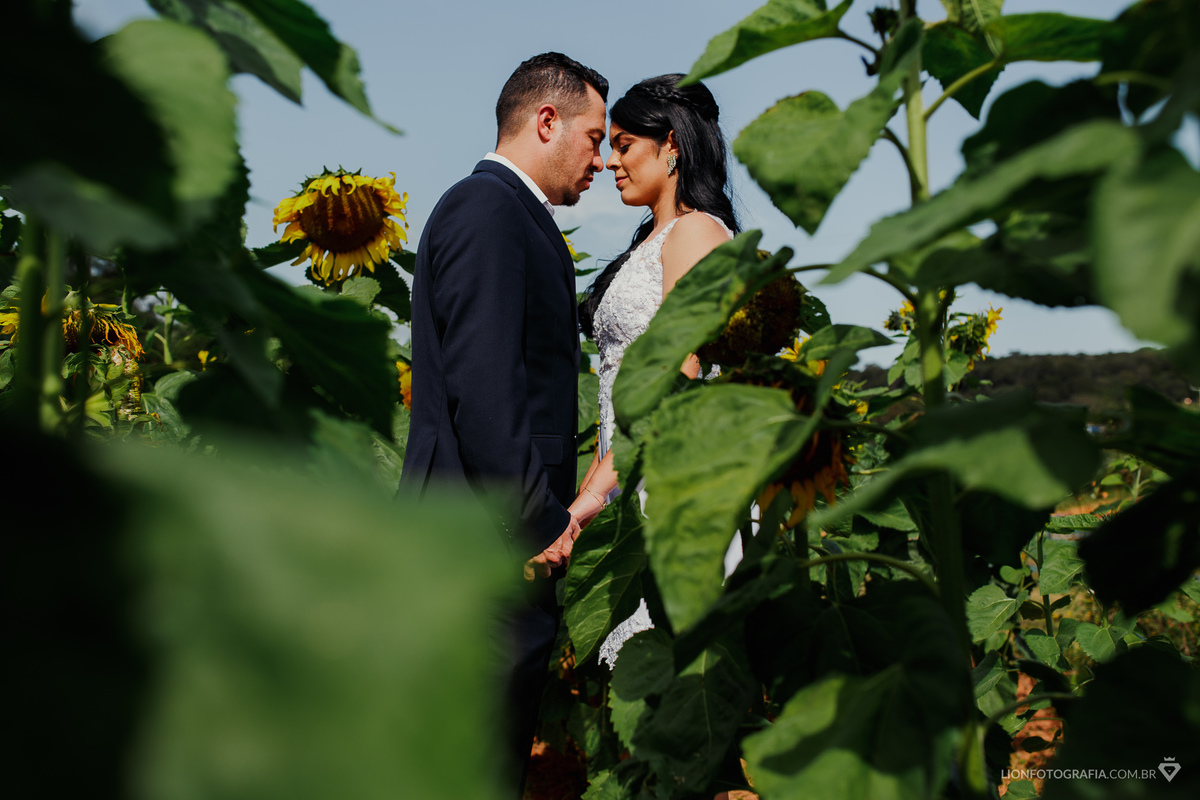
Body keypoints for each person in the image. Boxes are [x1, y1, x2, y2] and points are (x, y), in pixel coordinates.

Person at [400, 52, 608, 795]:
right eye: (593, 137)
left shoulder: (506, 214)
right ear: (546, 121)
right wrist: (539, 519)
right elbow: (485, 385)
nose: (602, 158)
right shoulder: (488, 209)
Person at [572, 74, 740, 665]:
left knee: (676, 679)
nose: (610, 162)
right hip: (632, 475)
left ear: (671, 144)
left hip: (674, 480)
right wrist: (599, 484)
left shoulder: (695, 232)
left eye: (623, 145)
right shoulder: (656, 238)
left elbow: (679, 374)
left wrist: (590, 495)